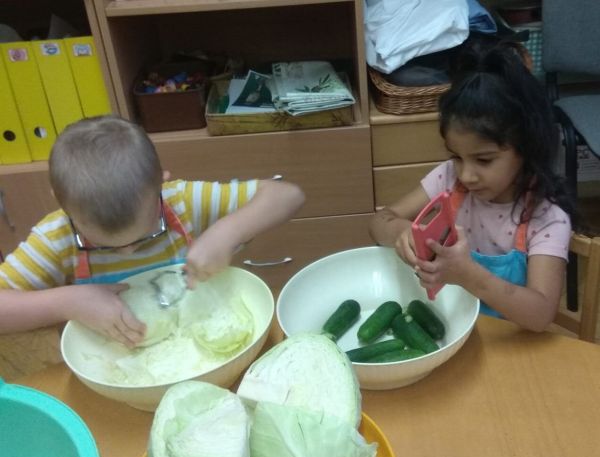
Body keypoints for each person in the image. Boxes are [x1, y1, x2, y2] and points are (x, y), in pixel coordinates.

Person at [0, 115, 305, 346]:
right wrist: (67, 302)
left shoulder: (181, 202)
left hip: (194, 341)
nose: (127, 251)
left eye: (146, 234)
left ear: (161, 183)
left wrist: (227, 232)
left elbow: (287, 196)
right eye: (103, 244)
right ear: (63, 204)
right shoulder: (56, 238)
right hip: (115, 362)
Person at [369, 38, 575, 331]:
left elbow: (541, 315)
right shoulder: (449, 180)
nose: (466, 175)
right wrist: (401, 232)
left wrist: (468, 275)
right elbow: (379, 221)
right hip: (453, 328)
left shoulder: (546, 217)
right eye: (456, 157)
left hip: (512, 342)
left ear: (526, 148)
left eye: (484, 160)